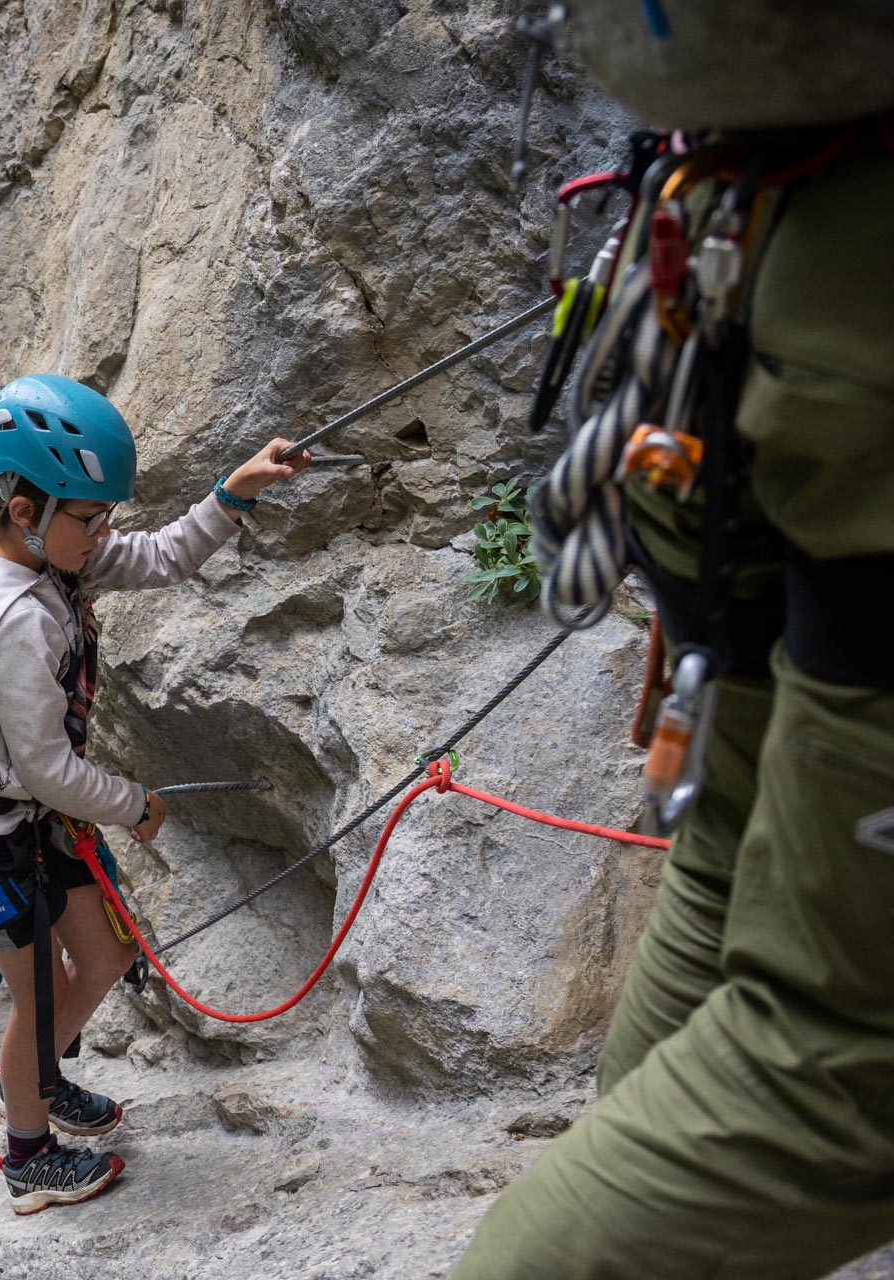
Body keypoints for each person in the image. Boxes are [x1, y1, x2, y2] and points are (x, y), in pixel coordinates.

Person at [452, 3, 894, 1275]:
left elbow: (847, 1063)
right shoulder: (758, 177)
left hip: (792, 745)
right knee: (641, 1084)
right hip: (743, 745)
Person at [0, 373, 311, 1214]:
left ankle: (35, 1080)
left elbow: (162, 555)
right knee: (40, 991)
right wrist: (134, 805)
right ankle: (28, 1155)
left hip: (28, 813)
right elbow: (49, 768)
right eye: (92, 520)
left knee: (103, 957)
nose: (104, 535)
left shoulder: (43, 554)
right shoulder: (16, 618)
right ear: (27, 510)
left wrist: (232, 493)